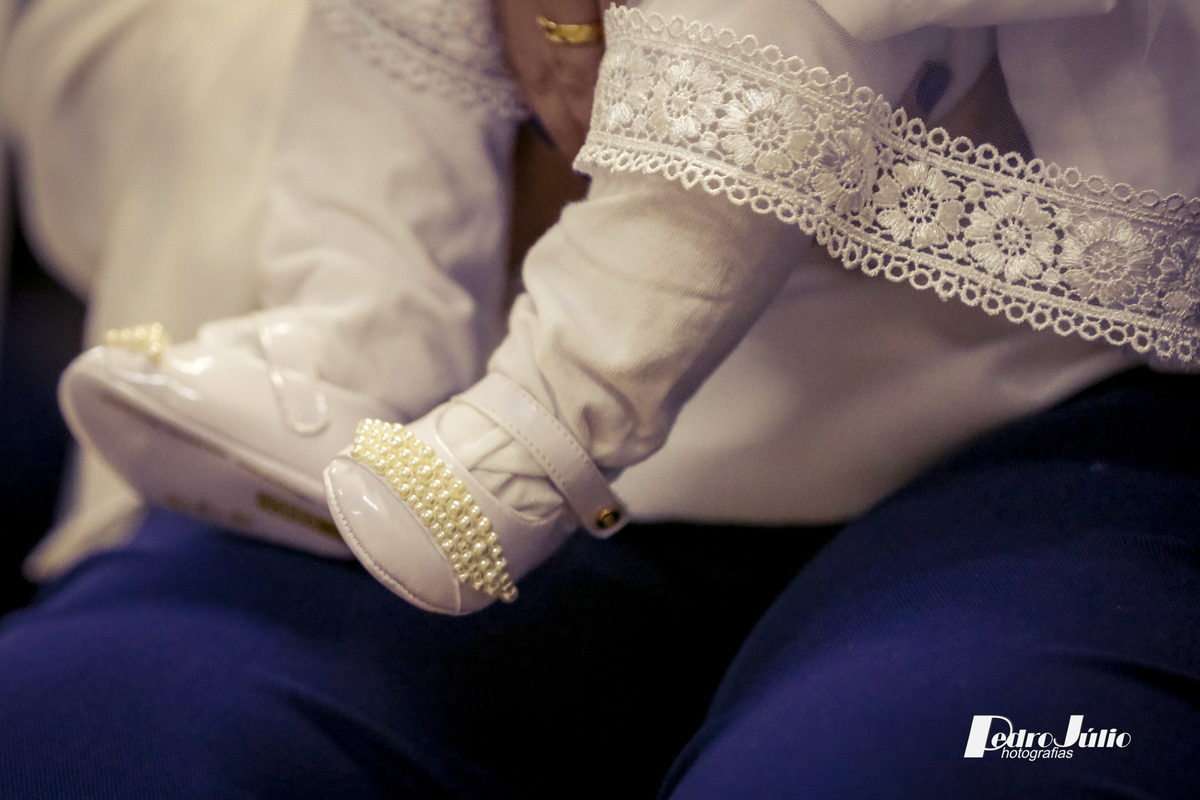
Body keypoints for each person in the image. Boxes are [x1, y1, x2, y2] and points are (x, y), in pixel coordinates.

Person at [1, 0, 1198, 796]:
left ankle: (545, 427)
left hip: (1055, 414)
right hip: (448, 381)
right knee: (93, 730)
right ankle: (355, 339)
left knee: (916, 762)